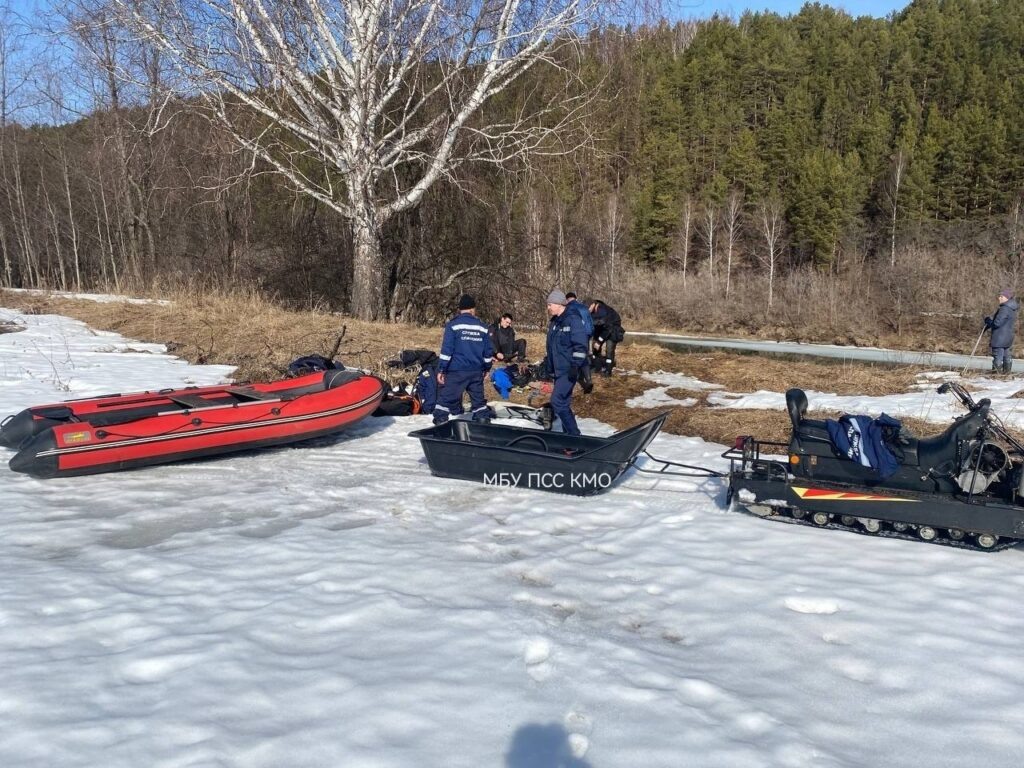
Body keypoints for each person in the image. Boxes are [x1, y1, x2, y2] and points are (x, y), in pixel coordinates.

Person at [433, 294, 495, 424]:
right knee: (478, 402)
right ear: (472, 309)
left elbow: (447, 351)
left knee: (445, 400)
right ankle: (483, 423)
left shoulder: (453, 325)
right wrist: (486, 368)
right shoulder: (483, 327)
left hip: (457, 371)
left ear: (460, 309)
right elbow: (488, 352)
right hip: (476, 371)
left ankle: (440, 423)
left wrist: (441, 369)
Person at [545, 289, 589, 436]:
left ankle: (575, 436)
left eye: (550, 304)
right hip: (557, 370)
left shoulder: (572, 319)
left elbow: (581, 345)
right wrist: (548, 366)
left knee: (557, 401)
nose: (548, 307)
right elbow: (552, 347)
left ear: (558, 304)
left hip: (568, 369)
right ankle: (568, 439)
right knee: (563, 403)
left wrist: (576, 365)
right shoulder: (554, 322)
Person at [564, 292, 595, 393]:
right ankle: (589, 380)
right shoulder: (584, 307)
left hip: (574, 335)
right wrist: (589, 335)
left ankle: (574, 379)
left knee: (573, 356)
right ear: (575, 298)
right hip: (585, 335)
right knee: (583, 356)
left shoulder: (567, 308)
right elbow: (590, 324)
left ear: (567, 299)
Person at [985, 288, 1019, 375]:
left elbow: (997, 323)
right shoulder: (1011, 309)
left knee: (998, 357)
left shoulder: (1004, 309)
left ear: (1007, 298)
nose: (999, 298)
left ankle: (996, 377)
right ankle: (1006, 376)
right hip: (1008, 338)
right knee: (1007, 357)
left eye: (1001, 296)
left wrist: (988, 321)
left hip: (999, 338)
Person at [588, 299, 624, 377]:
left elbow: (608, 329)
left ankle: (608, 370)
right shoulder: (592, 312)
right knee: (595, 347)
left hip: (612, 329)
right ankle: (597, 367)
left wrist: (599, 341)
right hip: (601, 328)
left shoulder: (603, 311)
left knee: (609, 350)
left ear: (593, 304)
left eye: (588, 307)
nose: (588, 310)